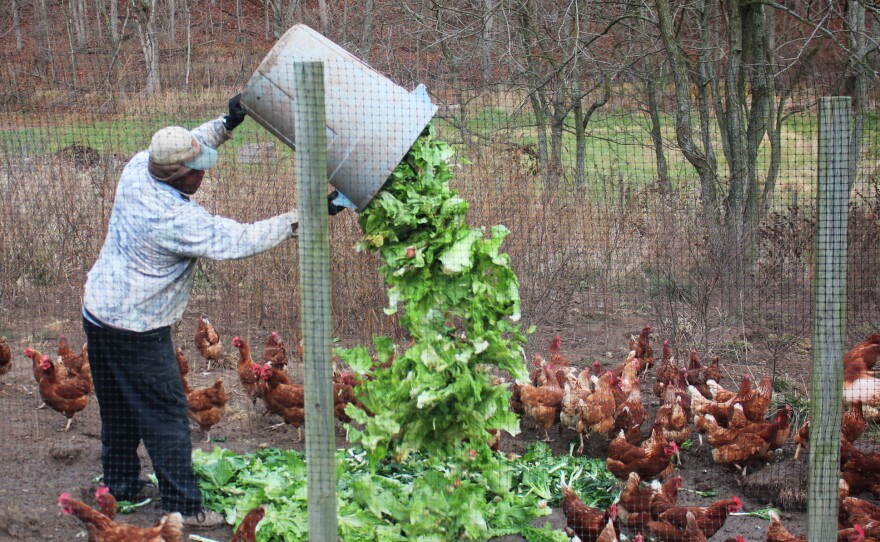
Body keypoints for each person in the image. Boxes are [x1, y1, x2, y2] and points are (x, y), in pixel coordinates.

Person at [81, 95, 349, 528]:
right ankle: (184, 508)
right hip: (135, 327)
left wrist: (228, 122)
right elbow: (240, 239)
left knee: (117, 405)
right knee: (168, 413)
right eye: (197, 169)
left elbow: (186, 144)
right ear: (180, 177)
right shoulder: (173, 219)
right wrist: (312, 213)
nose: (204, 171)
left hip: (98, 311)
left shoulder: (140, 167)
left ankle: (122, 484)